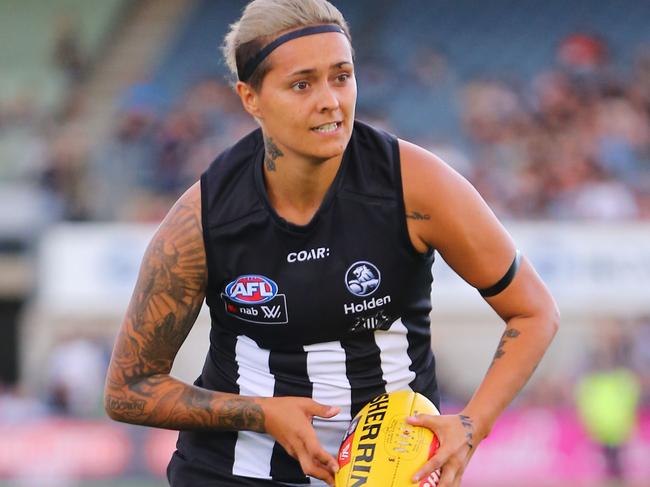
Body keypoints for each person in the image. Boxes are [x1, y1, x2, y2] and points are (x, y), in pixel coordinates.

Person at [103, 1, 559, 486]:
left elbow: (533, 311)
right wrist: (261, 413)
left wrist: (471, 426)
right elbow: (129, 388)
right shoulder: (201, 221)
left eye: (341, 76)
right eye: (302, 84)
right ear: (250, 98)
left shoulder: (417, 187)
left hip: (392, 470)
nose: (330, 101)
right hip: (236, 470)